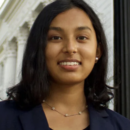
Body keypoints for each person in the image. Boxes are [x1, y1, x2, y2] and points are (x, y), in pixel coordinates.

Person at [0, 0, 130, 130]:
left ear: (98, 51)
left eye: (82, 37)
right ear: (38, 48)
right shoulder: (4, 118)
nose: (70, 48)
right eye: (56, 37)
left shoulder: (122, 126)